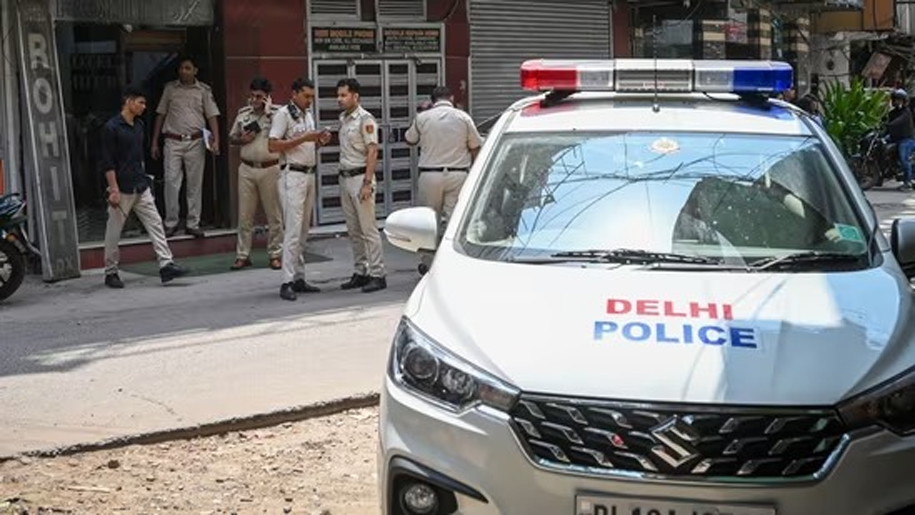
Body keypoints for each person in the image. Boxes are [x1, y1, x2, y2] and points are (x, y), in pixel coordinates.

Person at [101, 86, 188, 288]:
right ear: (129, 101)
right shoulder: (111, 128)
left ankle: (166, 264)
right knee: (114, 231)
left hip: (140, 184)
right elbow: (107, 162)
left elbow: (139, 156)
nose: (144, 107)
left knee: (155, 223)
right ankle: (111, 271)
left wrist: (145, 178)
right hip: (121, 188)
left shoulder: (139, 126)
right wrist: (113, 189)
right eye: (140, 102)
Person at [405, 86, 483, 275]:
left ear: (432, 101)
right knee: (454, 221)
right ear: (452, 98)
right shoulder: (463, 117)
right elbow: (475, 146)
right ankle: (453, 262)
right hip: (458, 175)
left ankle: (428, 264)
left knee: (428, 222)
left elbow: (410, 140)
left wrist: (421, 114)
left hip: (430, 175)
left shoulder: (423, 118)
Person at [268, 78, 331, 301]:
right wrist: (304, 137)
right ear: (294, 94)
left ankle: (299, 277)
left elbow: (307, 145)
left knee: (303, 231)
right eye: (306, 96)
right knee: (293, 231)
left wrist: (319, 141)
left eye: (312, 96)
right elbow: (272, 145)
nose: (309, 100)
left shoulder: (307, 115)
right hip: (292, 175)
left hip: (309, 174)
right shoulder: (283, 114)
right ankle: (286, 281)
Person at [151, 55, 221, 238]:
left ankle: (193, 223)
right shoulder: (170, 89)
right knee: (171, 182)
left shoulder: (203, 90)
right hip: (172, 141)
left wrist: (216, 140)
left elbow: (212, 116)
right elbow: (160, 115)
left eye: (188, 68)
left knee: (194, 184)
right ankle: (171, 222)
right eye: (181, 68)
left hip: (196, 142)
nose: (184, 71)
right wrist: (154, 141)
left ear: (195, 71)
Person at [336, 78, 387, 293]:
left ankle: (378, 274)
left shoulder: (365, 119)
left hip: (360, 179)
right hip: (345, 178)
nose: (339, 99)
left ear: (355, 96)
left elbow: (372, 151)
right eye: (338, 95)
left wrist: (367, 182)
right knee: (354, 230)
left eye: (343, 95)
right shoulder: (343, 119)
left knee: (368, 229)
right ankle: (361, 271)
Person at [228, 77, 284, 271]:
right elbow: (232, 137)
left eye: (259, 96)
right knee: (245, 215)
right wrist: (241, 139)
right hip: (247, 168)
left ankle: (275, 254)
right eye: (252, 96)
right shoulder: (244, 114)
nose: (254, 100)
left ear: (267, 97)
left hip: (270, 168)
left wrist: (269, 114)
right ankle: (242, 255)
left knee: (274, 215)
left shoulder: (278, 114)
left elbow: (284, 136)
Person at [886, 89, 915, 191]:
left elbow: (899, 121)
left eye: (899, 99)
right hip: (894, 138)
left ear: (904, 100)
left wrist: (890, 125)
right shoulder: (892, 113)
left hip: (906, 139)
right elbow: (887, 124)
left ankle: (908, 182)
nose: (896, 101)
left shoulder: (906, 112)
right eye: (895, 99)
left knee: (904, 158)